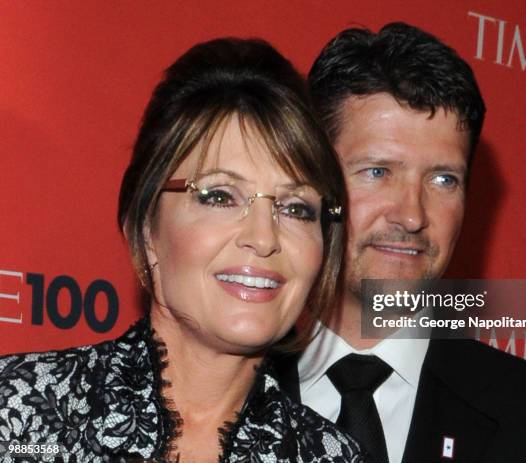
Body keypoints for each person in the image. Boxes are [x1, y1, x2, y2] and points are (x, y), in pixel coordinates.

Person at [0, 38, 364, 462]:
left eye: (296, 207)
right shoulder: (18, 416)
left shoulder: (332, 457)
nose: (264, 238)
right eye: (220, 196)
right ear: (146, 228)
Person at [274, 22, 526, 463]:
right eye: (378, 172)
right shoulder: (212, 399)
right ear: (314, 181)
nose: (412, 215)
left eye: (442, 179)